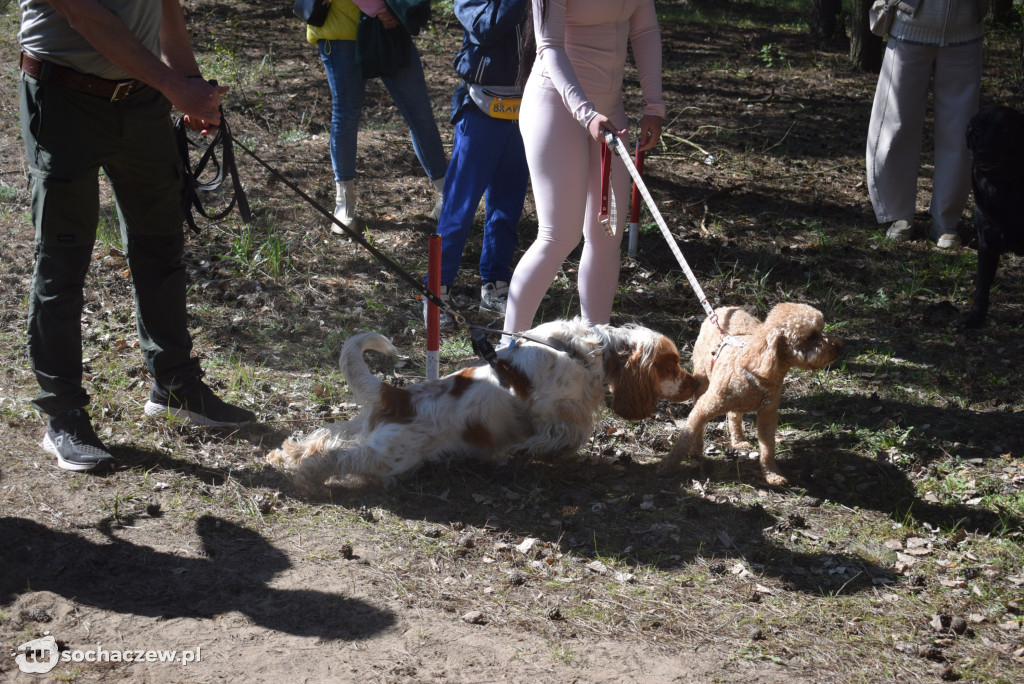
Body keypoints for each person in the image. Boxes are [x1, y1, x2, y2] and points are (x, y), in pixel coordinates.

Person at [18, 0, 256, 473]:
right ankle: (63, 410)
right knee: (62, 260)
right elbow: (85, 15)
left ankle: (175, 387)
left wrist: (192, 87)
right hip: (63, 96)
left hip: (142, 100)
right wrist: (173, 85)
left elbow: (165, 8)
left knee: (160, 246)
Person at [501, 0, 664, 341]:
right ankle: (507, 351)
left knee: (607, 237)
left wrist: (654, 104)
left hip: (609, 109)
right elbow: (549, 46)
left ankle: (594, 357)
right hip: (556, 105)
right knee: (559, 235)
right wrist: (586, 113)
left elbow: (645, 30)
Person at [425, 0, 531, 327]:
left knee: (508, 206)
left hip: (527, 105)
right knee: (459, 207)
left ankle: (496, 285)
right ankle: (436, 291)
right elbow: (485, 26)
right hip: (480, 107)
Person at [308, 0, 448, 231]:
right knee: (345, 114)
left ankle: (447, 198)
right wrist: (379, 8)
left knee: (419, 112)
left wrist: (400, 8)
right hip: (340, 24)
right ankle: (344, 205)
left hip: (390, 24)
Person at [866, 0, 989, 250]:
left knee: (960, 133)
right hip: (910, 24)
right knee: (896, 123)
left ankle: (946, 221)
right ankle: (898, 214)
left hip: (965, 27)